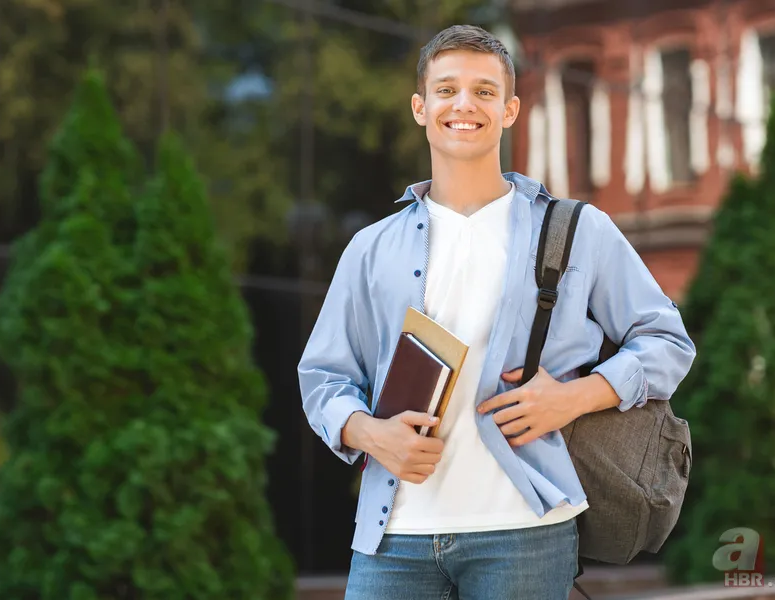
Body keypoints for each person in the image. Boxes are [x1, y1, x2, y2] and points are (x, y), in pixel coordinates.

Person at [298, 24, 696, 600]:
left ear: (510, 110)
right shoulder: (371, 247)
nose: (464, 104)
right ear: (420, 107)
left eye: (484, 91)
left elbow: (666, 340)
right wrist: (370, 433)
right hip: (394, 538)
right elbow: (322, 378)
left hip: (525, 535)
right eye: (447, 89)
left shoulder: (576, 230)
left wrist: (575, 397)